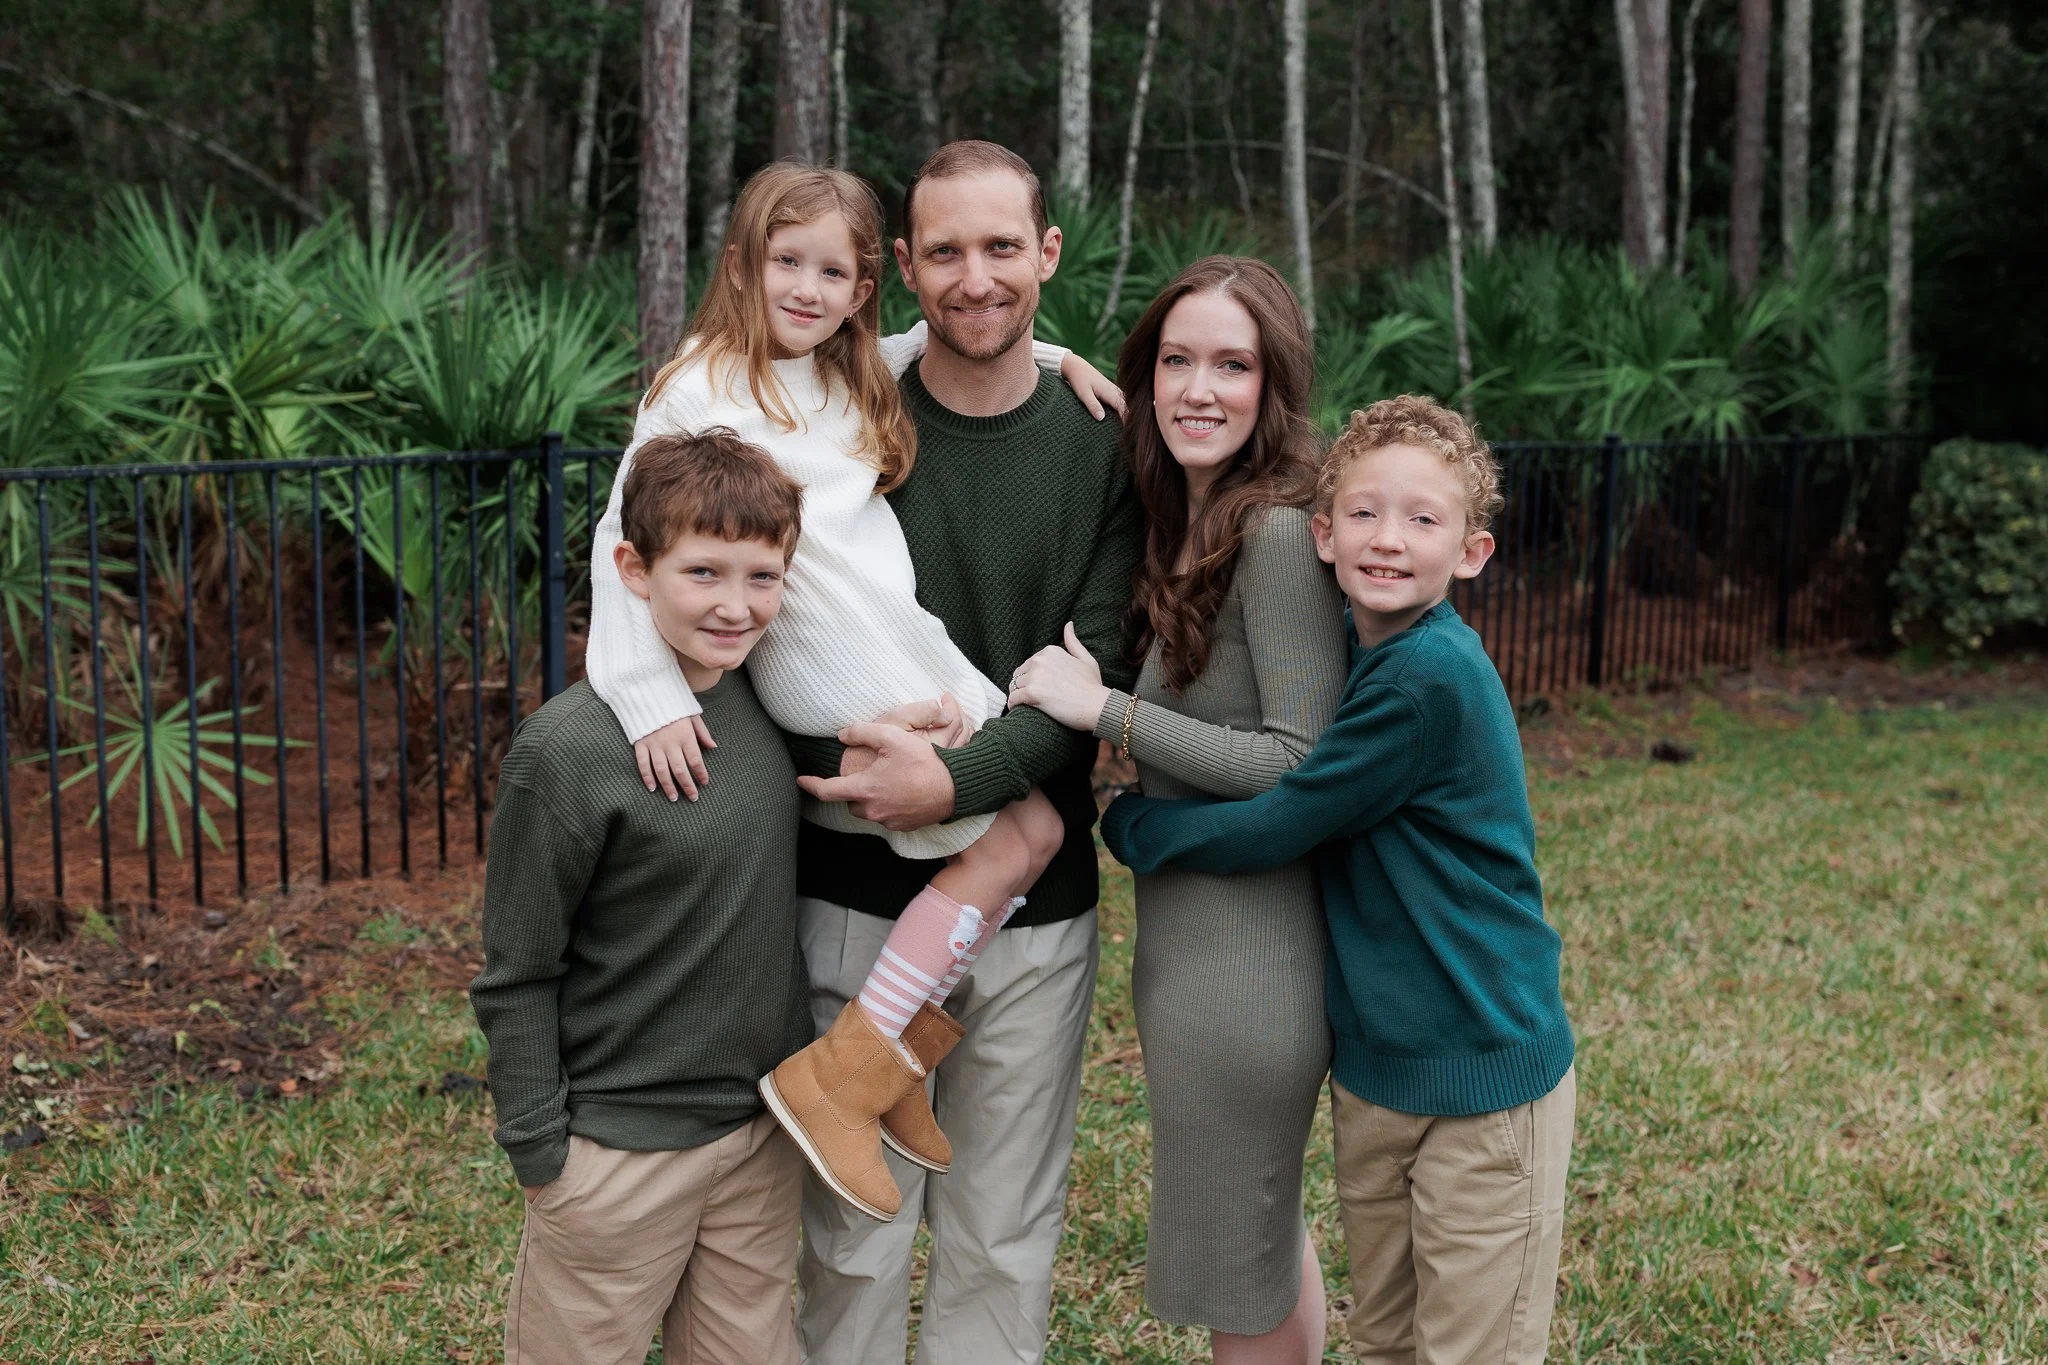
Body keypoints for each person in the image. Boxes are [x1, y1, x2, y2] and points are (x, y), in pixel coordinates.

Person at [581, 162, 1121, 1225]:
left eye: (832, 272)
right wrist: (649, 696)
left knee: (1027, 836)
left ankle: (878, 1060)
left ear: (864, 287)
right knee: (1026, 835)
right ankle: (848, 1070)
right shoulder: (695, 390)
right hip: (829, 655)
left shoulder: (841, 372)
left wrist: (1057, 358)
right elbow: (620, 539)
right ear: (742, 266)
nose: (808, 288)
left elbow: (938, 340)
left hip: (889, 642)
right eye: (786, 262)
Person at [1099, 394, 1578, 1365]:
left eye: (1422, 519)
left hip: (1481, 1075)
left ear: (1472, 553)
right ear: (1322, 535)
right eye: (1363, 512)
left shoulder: (1424, 679)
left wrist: (1134, 823)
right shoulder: (1365, 656)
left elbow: (1286, 818)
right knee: (1388, 1342)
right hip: (1379, 1078)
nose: (1387, 538)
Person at [787, 140, 1145, 1365]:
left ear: (1047, 253)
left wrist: (954, 780)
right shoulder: (840, 419)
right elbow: (773, 613)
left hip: (1036, 911)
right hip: (853, 885)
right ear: (903, 265)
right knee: (851, 1240)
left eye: (1001, 247)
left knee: (1002, 1234)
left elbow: (1094, 669)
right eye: (945, 251)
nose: (975, 277)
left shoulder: (1103, 447)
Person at [1006, 256, 1349, 1365]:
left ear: (1274, 386)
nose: (1199, 389)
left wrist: (1104, 710)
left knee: (1232, 1265)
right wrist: (1054, 358)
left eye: (1232, 365)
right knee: (1261, 1237)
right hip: (1199, 955)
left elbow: (1298, 760)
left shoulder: (1278, 534)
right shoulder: (1193, 522)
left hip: (1249, 973)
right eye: (1176, 360)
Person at [470, 430, 813, 1365]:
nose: (737, 605)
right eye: (703, 572)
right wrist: (543, 1156)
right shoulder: (567, 751)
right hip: (617, 1153)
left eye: (763, 576)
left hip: (757, 1140)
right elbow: (516, 971)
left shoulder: (771, 706)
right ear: (633, 568)